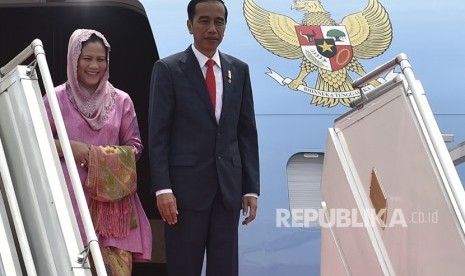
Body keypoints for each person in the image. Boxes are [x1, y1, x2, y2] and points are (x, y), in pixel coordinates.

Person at [148, 0, 260, 275]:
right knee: (184, 268)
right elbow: (158, 135)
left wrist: (250, 188)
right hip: (184, 195)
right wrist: (163, 189)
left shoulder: (239, 70)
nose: (212, 28)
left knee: (225, 269)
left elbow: (246, 132)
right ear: (190, 25)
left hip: (228, 192)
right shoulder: (169, 69)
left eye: (219, 21)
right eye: (204, 21)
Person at [43, 29, 152, 275]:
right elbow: (36, 142)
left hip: (112, 205)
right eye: (87, 58)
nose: (94, 65)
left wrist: (96, 156)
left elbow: (135, 147)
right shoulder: (54, 99)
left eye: (100, 59)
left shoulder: (122, 100)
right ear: (74, 60)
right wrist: (72, 148)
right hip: (68, 200)